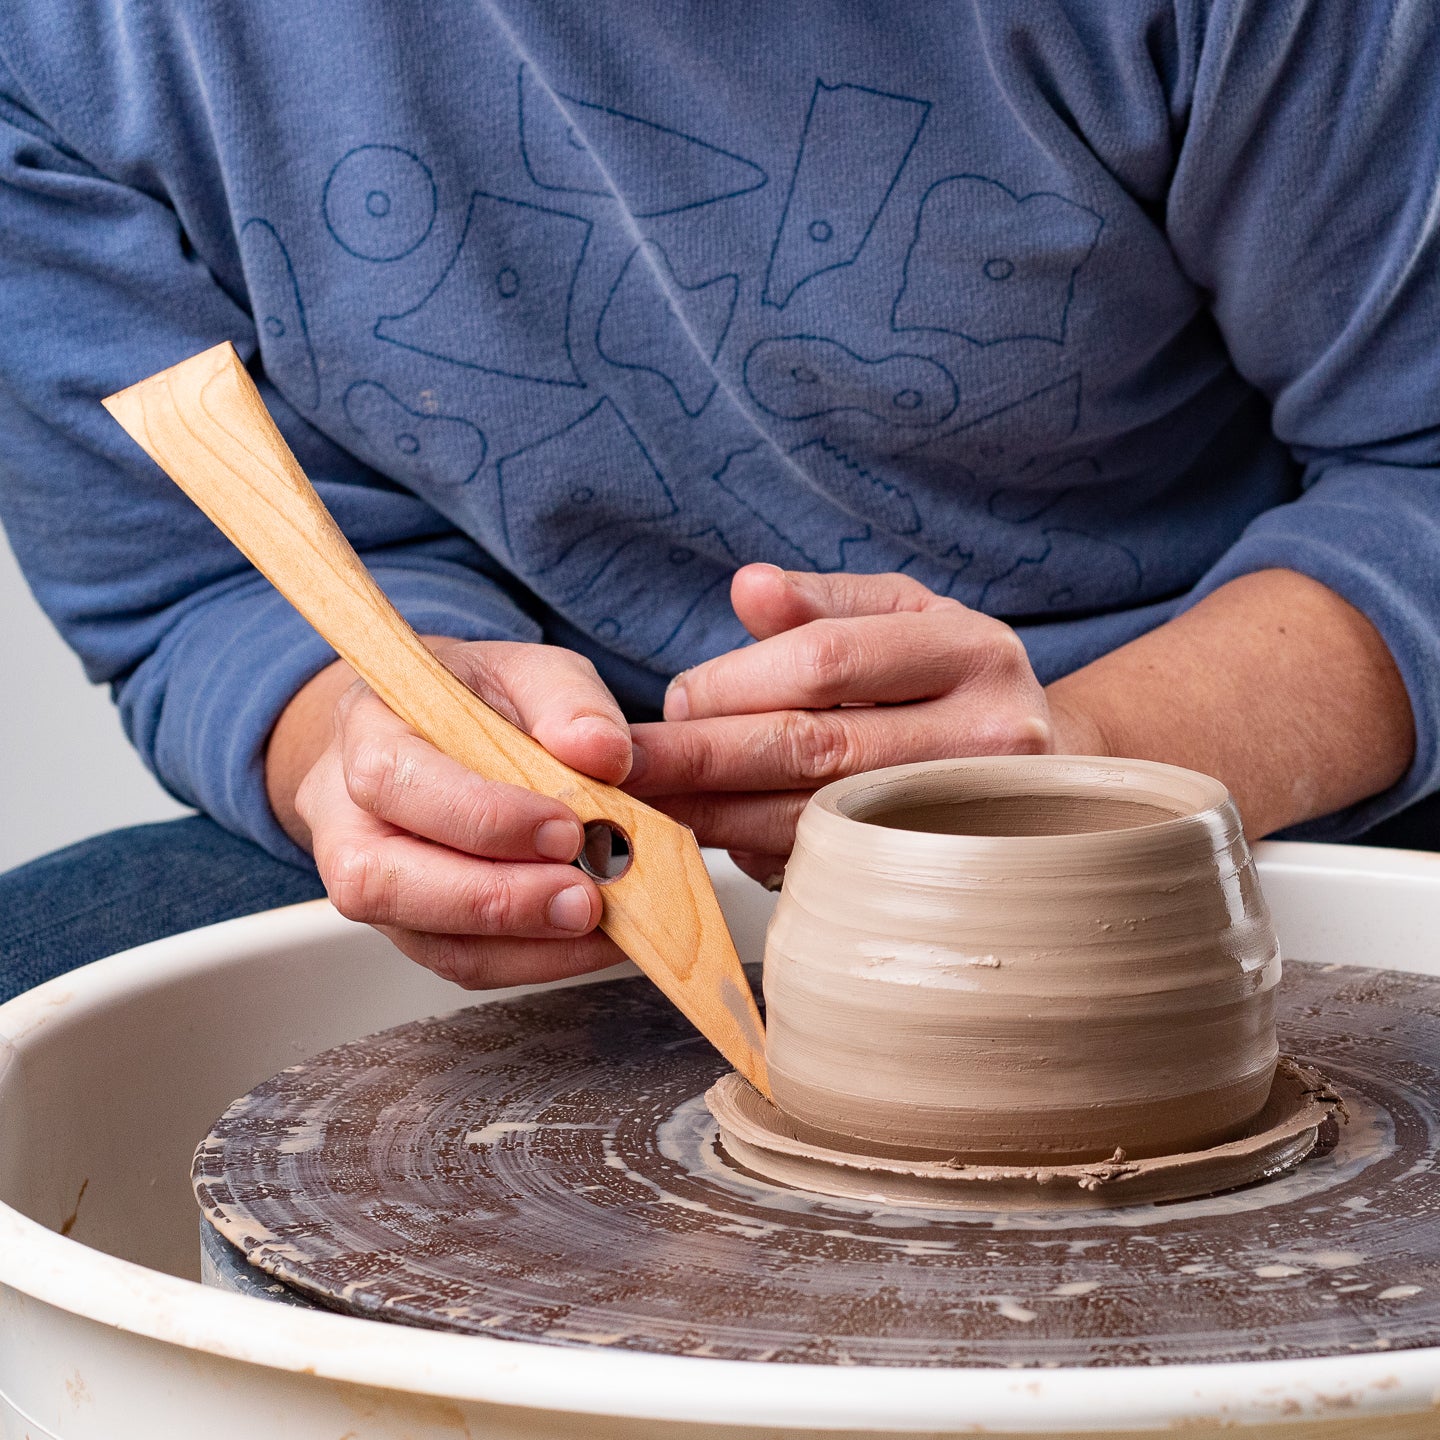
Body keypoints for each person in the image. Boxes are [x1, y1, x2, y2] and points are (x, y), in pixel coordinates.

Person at [1, 1, 1436, 1001]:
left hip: (1218, 782)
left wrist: (1098, 757)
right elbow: (188, 585)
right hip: (582, 882)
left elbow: (1416, 470)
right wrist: (375, 743)